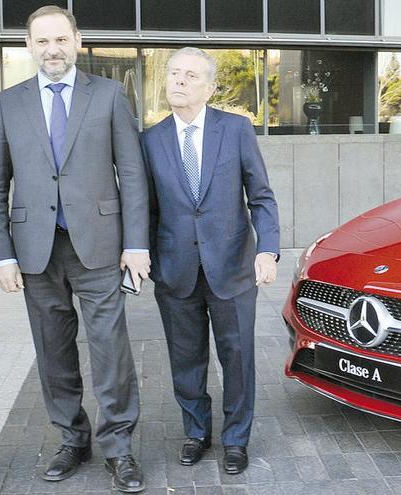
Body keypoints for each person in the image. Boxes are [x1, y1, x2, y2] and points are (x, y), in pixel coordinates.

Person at [0, 6, 149, 493]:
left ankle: (119, 446)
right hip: (35, 250)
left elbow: (132, 175)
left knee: (110, 350)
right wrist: (2, 254)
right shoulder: (10, 103)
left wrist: (136, 243)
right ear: (29, 46)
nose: (52, 49)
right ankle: (72, 439)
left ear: (77, 41)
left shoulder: (110, 94)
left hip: (99, 247)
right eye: (42, 41)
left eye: (61, 39)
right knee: (52, 351)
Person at [140, 47, 280, 475]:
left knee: (237, 358)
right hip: (175, 271)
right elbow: (146, 208)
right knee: (186, 359)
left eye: (190, 75)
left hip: (233, 268)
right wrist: (141, 256)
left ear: (210, 87)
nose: (178, 81)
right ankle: (196, 433)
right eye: (174, 73)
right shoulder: (150, 139)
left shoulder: (235, 129)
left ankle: (236, 439)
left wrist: (267, 250)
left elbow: (260, 196)